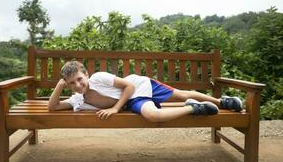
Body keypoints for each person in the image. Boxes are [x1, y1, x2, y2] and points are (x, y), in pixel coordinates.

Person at [48, 61, 243, 122]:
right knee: (153, 115)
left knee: (181, 94)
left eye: (80, 79)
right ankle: (194, 108)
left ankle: (221, 101)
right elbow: (53, 106)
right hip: (133, 100)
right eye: (72, 83)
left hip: (138, 86)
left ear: (87, 75)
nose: (78, 85)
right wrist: (59, 85)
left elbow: (129, 86)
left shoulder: (98, 78)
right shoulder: (78, 100)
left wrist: (116, 108)